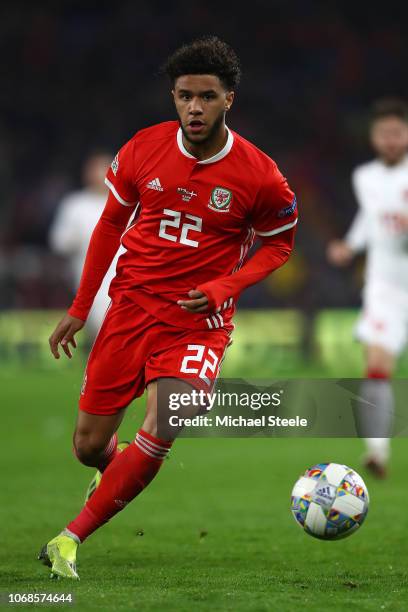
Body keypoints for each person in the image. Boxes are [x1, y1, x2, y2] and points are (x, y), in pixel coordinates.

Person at [39, 36, 298, 580]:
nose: (194, 108)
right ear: (173, 97)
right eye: (184, 96)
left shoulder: (260, 175)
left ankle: (69, 537)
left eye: (206, 96)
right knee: (87, 447)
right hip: (130, 309)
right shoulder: (142, 148)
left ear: (230, 99)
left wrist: (227, 287)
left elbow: (279, 243)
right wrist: (80, 305)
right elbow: (110, 224)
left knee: (168, 420)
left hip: (197, 324)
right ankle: (114, 469)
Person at [327, 98, 408, 478]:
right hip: (385, 288)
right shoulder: (365, 177)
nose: (391, 140)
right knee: (376, 367)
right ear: (374, 138)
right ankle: (377, 452)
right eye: (384, 133)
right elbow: (370, 219)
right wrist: (350, 245)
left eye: (397, 132)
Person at [49, 152, 123, 338]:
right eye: (95, 169)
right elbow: (59, 243)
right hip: (90, 282)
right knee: (101, 333)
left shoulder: (127, 202)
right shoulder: (75, 204)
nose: (100, 174)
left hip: (125, 278)